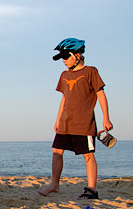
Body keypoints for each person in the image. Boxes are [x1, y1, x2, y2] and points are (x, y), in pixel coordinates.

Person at [39, 38, 113, 199]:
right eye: (62, 58)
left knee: (88, 155)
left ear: (77, 55)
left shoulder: (91, 71)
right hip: (66, 121)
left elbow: (101, 95)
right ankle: (55, 184)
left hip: (83, 122)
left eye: (66, 56)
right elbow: (64, 99)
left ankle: (92, 189)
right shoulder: (64, 75)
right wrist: (58, 120)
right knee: (57, 151)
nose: (64, 61)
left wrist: (106, 118)